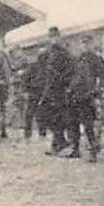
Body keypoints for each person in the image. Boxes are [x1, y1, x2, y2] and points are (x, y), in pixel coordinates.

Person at [65, 33, 104, 161]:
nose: (85, 46)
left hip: (88, 96)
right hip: (74, 95)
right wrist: (69, 88)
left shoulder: (97, 60)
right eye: (83, 43)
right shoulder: (77, 59)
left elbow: (103, 80)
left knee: (88, 125)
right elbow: (72, 77)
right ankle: (75, 149)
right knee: (73, 123)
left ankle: (93, 152)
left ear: (92, 44)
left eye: (88, 43)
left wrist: (97, 92)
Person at [34, 27, 75, 156]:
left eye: (55, 36)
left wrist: (62, 80)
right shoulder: (46, 54)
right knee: (44, 115)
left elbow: (71, 71)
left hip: (60, 89)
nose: (53, 39)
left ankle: (58, 144)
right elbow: (41, 71)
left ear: (59, 37)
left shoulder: (65, 54)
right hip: (48, 89)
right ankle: (59, 142)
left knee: (59, 117)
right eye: (51, 36)